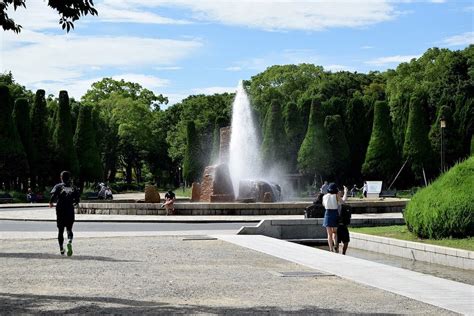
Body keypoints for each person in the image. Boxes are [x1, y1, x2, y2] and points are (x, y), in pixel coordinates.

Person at [49, 171, 80, 256]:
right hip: (69, 209)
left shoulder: (58, 186)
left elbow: (53, 196)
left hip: (60, 210)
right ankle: (69, 241)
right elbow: (77, 200)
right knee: (69, 229)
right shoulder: (73, 187)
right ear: (69, 177)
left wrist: (51, 203)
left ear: (61, 177)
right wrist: (73, 203)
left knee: (60, 230)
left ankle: (61, 248)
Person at [322, 183, 347, 252]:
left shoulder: (324, 196)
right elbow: (343, 202)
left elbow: (324, 205)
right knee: (335, 232)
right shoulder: (336, 196)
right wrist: (345, 192)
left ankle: (330, 249)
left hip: (327, 213)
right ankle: (336, 245)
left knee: (329, 234)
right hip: (335, 213)